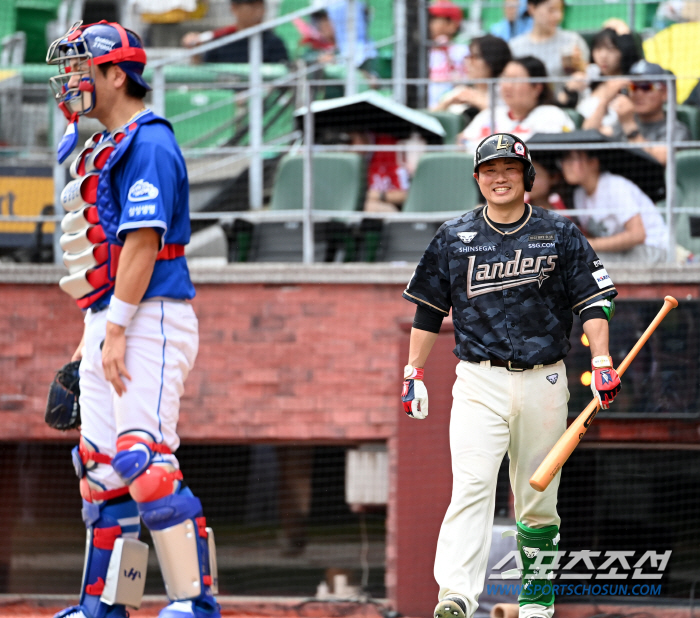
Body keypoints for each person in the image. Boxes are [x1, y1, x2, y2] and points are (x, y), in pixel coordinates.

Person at [400, 132, 620, 618]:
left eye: (510, 170)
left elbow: (594, 301)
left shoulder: (560, 233)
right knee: (472, 486)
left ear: (527, 178)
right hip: (478, 381)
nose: (500, 178)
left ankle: (536, 600)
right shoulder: (453, 236)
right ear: (477, 179)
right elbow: (427, 311)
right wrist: (413, 371)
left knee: (538, 497)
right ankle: (456, 594)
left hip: (546, 379)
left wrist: (602, 361)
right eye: (490, 170)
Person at [47, 21, 219, 618]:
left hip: (152, 317)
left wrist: (114, 330)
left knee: (143, 461)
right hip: (112, 318)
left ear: (116, 74)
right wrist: (89, 338)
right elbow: (108, 262)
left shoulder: (149, 141)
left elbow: (143, 244)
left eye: (82, 70)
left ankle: (195, 604)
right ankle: (104, 607)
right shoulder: (107, 143)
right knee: (100, 474)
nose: (71, 82)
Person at [560, 149, 669, 262]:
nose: (566, 165)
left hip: (653, 249)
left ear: (593, 162)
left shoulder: (615, 186)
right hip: (622, 252)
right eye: (564, 160)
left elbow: (638, 235)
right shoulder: (579, 195)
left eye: (572, 159)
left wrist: (591, 244)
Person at [458, 56, 575, 151]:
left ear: (537, 88)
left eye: (514, 80)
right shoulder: (490, 114)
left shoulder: (551, 116)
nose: (507, 86)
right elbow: (461, 142)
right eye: (505, 78)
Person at [607, 60, 691, 165]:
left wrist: (629, 127)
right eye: (634, 87)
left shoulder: (675, 129)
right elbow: (589, 136)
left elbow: (661, 159)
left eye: (646, 87)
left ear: (665, 93)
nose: (638, 93)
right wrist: (606, 96)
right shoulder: (623, 122)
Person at [561, 27, 640, 123]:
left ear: (623, 52)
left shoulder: (630, 85)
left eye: (611, 49)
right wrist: (569, 90)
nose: (603, 56)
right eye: (598, 49)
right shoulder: (587, 83)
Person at [432, 35, 512, 127]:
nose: (468, 62)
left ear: (493, 59)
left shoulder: (506, 91)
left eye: (475, 57)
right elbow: (430, 122)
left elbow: (509, 123)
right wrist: (447, 103)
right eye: (468, 56)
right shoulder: (461, 91)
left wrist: (479, 102)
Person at [509, 0, 589, 90]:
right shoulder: (515, 47)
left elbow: (586, 76)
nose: (558, 16)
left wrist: (579, 68)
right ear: (532, 8)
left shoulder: (572, 41)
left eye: (561, 10)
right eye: (551, 10)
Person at [181, 0, 289, 64]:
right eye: (252, 6)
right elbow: (204, 75)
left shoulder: (274, 43)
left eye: (261, 6)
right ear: (234, 8)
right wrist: (195, 53)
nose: (259, 12)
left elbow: (281, 82)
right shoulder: (220, 42)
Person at [428, 0, 469, 109]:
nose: (430, 24)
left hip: (451, 108)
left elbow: (465, 85)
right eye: (430, 19)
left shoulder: (463, 51)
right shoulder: (421, 53)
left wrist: (445, 51)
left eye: (436, 20)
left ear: (452, 25)